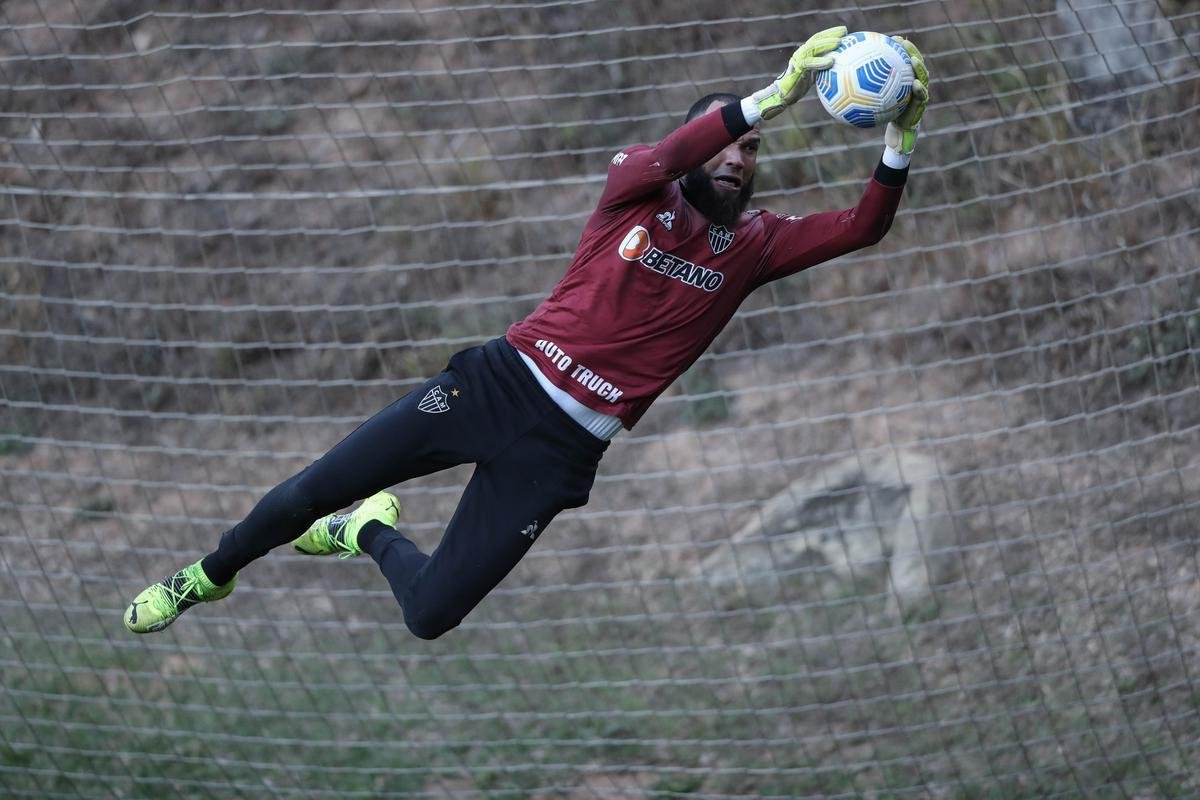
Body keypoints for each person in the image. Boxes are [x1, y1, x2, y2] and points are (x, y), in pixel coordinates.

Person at [124, 26, 929, 639]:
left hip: (563, 450)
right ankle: (208, 573)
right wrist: (777, 92)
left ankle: (366, 527)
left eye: (751, 151)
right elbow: (676, 149)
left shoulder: (754, 245)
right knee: (307, 491)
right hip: (497, 384)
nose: (738, 158)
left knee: (430, 615)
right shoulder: (635, 191)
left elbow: (862, 226)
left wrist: (903, 134)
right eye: (726, 144)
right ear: (689, 153)